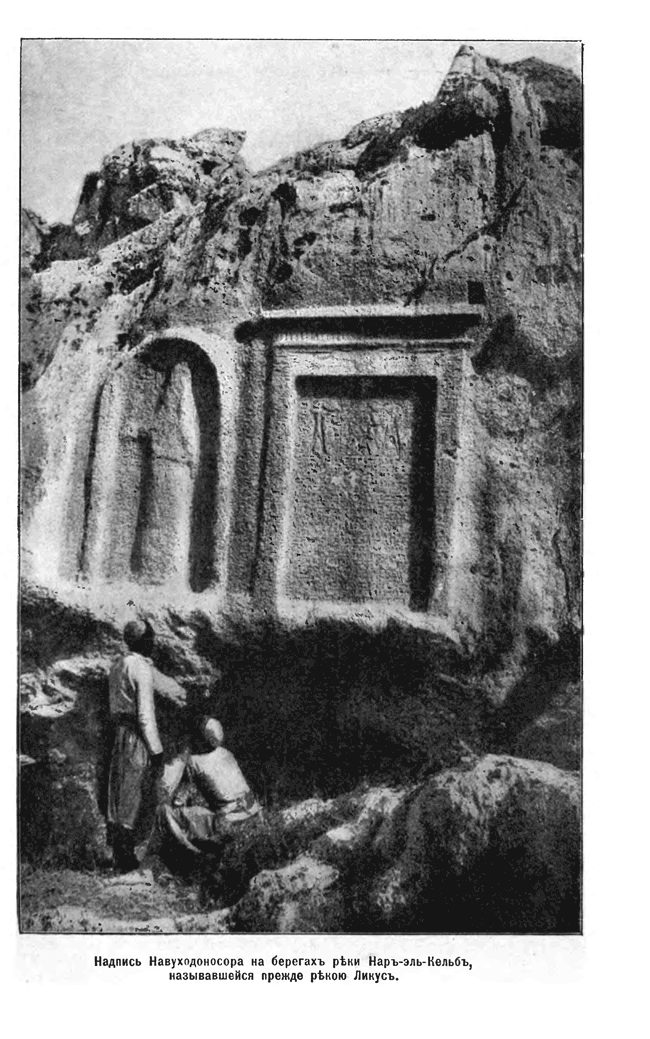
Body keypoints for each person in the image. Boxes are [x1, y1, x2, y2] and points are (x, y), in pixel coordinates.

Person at [107, 619, 169, 871]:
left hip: (119, 734)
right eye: (150, 639)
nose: (153, 643)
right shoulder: (141, 668)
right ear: (142, 641)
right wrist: (156, 749)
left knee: (119, 792)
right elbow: (145, 714)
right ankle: (126, 856)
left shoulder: (117, 665)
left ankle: (119, 853)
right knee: (134, 792)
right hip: (136, 735)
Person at [159, 717, 261, 855]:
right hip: (253, 814)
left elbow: (179, 800)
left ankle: (191, 852)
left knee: (165, 811)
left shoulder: (193, 762)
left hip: (228, 823)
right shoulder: (226, 753)